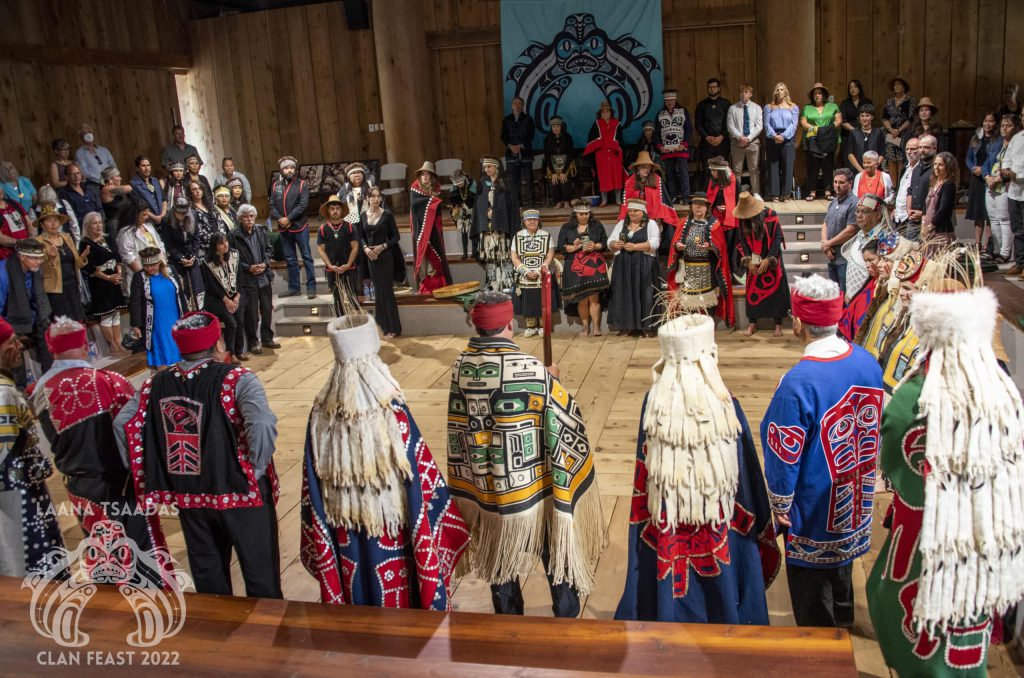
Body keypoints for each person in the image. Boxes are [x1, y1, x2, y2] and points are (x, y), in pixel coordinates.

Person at [867, 284, 1024, 677]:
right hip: (982, 535)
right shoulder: (1003, 393)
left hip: (928, 533)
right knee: (969, 619)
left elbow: (893, 459)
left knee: (905, 609)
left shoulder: (916, 396)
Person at [615, 314, 779, 623]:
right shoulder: (726, 402)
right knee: (721, 569)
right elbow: (745, 476)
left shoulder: (654, 403)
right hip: (719, 520)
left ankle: (667, 611)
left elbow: (643, 469)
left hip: (669, 521)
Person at [447, 291, 603, 616]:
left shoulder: (461, 367)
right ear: (509, 324)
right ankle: (566, 614)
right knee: (552, 547)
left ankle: (508, 620)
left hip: (489, 488)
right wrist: (553, 380)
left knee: (501, 558)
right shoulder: (531, 369)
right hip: (534, 486)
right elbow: (566, 413)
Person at [300, 314, 469, 607]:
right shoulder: (392, 412)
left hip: (344, 533)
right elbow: (421, 479)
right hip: (395, 536)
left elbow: (311, 487)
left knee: (358, 588)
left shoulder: (320, 415)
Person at [114, 311, 282, 598]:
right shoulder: (237, 378)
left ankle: (217, 637)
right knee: (261, 576)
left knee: (209, 578)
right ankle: (269, 636)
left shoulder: (155, 384)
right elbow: (262, 424)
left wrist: (141, 469)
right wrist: (253, 468)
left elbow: (122, 424)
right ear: (218, 343)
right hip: (241, 493)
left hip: (190, 495)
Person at [762, 274, 884, 628]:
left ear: (797, 322)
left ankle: (821, 651)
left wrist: (781, 504)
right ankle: (845, 623)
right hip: (855, 493)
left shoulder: (798, 383)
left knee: (811, 592)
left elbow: (783, 454)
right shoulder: (867, 361)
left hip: (814, 505)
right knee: (843, 570)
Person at [30, 318, 158, 549]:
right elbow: (137, 432)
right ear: (82, 346)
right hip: (120, 483)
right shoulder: (112, 382)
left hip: (81, 486)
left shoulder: (40, 395)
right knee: (139, 552)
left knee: (102, 553)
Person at [0, 316, 63, 577]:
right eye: (12, 342)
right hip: (16, 499)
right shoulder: (4, 394)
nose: (19, 347)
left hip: (21, 492)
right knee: (22, 562)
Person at [666, 192, 732, 323]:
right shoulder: (683, 223)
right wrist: (677, 246)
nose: (698, 208)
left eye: (701, 205)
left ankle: (707, 327)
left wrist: (710, 246)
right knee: (688, 302)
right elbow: (675, 243)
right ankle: (691, 327)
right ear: (691, 207)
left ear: (707, 207)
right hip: (688, 270)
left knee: (707, 302)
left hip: (706, 270)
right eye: (696, 205)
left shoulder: (714, 224)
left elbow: (721, 248)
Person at [735, 192, 789, 335]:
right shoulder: (743, 218)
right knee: (753, 289)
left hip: (771, 255)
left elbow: (777, 238)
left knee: (776, 290)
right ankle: (753, 323)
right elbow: (743, 240)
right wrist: (748, 260)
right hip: (753, 257)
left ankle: (778, 324)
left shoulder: (771, 214)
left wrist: (769, 258)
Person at [0, 239, 53, 382]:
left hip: (33, 314)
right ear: (22, 256)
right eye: (34, 258)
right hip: (9, 318)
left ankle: (50, 379)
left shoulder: (35, 270)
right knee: (13, 345)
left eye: (40, 258)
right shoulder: (3, 274)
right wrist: (8, 331)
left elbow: (39, 299)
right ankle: (19, 386)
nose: (39, 262)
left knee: (47, 333)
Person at [607, 198, 661, 337]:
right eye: (630, 211)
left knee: (646, 295)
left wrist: (635, 247)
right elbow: (610, 240)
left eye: (635, 211)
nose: (632, 213)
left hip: (644, 264)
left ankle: (647, 327)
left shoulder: (651, 224)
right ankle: (627, 326)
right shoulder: (621, 224)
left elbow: (655, 242)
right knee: (624, 293)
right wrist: (615, 244)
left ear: (643, 212)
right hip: (624, 265)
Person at [557, 200, 609, 338]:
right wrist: (574, 247)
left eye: (586, 214)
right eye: (581, 214)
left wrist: (595, 246)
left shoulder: (596, 226)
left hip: (594, 266)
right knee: (582, 299)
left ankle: (596, 328)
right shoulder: (567, 227)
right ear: (575, 213)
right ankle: (585, 328)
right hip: (576, 267)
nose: (584, 216)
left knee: (594, 298)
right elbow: (561, 247)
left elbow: (604, 243)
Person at [79, 212, 128, 356]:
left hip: (114, 280)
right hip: (100, 283)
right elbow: (89, 268)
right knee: (106, 315)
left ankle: (119, 344)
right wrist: (108, 277)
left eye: (100, 222)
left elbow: (117, 257)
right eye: (94, 223)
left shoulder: (107, 238)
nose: (98, 225)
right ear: (87, 226)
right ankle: (112, 346)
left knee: (116, 313)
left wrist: (118, 272)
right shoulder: (85, 244)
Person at [233, 205, 279, 354]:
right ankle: (253, 342)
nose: (249, 219)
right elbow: (233, 258)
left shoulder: (261, 230)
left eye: (252, 216)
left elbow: (269, 249)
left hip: (263, 276)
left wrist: (265, 264)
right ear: (240, 218)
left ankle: (267, 338)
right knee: (252, 313)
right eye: (246, 216)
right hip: (247, 278)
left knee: (267, 309)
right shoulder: (234, 234)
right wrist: (248, 267)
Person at [360, 187, 403, 339]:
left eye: (379, 196)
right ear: (367, 198)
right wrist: (366, 249)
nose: (376, 199)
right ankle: (381, 329)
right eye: (373, 196)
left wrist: (381, 247)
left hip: (385, 256)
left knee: (387, 292)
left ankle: (393, 328)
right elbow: (361, 237)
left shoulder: (387, 214)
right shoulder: (363, 215)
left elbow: (396, 237)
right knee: (378, 293)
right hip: (371, 258)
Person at [270, 156, 315, 299]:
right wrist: (280, 219)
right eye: (286, 168)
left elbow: (303, 205)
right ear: (281, 170)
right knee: (290, 259)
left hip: (299, 226)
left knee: (307, 257)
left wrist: (288, 218)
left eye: (291, 168)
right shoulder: (275, 185)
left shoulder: (302, 184)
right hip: (283, 228)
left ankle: (311, 287)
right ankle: (294, 287)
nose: (289, 170)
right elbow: (271, 205)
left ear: (295, 170)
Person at [129, 247, 182, 368]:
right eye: (146, 265)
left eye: (152, 265)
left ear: (159, 262)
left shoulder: (171, 271)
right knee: (162, 350)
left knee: (178, 348)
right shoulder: (139, 277)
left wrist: (187, 316)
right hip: (155, 321)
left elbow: (180, 295)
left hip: (175, 316)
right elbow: (135, 302)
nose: (149, 268)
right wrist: (136, 325)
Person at [618, 151, 679, 253]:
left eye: (648, 167)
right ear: (638, 168)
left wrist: (658, 218)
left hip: (654, 217)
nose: (646, 170)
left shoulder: (657, 180)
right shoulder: (630, 182)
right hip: (635, 217)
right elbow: (626, 204)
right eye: (643, 167)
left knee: (665, 231)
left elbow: (663, 201)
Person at [472, 156, 517, 292]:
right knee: (490, 257)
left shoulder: (506, 183)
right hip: (488, 229)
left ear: (497, 167)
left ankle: (508, 283)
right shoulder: (483, 183)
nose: (486, 170)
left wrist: (496, 213)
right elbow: (478, 205)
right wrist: (485, 213)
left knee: (504, 255)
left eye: (489, 167)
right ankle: (492, 284)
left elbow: (510, 205)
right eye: (485, 167)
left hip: (502, 228)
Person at [37, 203, 87, 322]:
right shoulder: (38, 242)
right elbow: (37, 267)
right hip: (55, 289)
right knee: (62, 324)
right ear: (42, 225)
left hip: (72, 285)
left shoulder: (67, 237)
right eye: (49, 221)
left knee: (78, 320)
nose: (54, 223)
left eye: (56, 220)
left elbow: (77, 263)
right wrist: (49, 257)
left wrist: (83, 257)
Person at [510, 209, 556, 337]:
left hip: (541, 272)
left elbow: (550, 255)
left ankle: (542, 325)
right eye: (529, 220)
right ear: (524, 222)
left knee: (541, 299)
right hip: (524, 274)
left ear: (538, 221)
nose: (532, 222)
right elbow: (514, 256)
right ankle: (530, 326)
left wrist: (539, 270)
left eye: (534, 219)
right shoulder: (518, 236)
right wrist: (524, 271)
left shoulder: (546, 235)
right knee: (527, 300)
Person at [202, 232, 246, 364]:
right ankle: (231, 353)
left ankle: (239, 350)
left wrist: (237, 296)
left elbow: (239, 278)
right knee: (231, 323)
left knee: (240, 319)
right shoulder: (207, 262)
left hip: (234, 296)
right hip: (216, 299)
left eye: (226, 241)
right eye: (221, 243)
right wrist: (226, 300)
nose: (225, 245)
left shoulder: (234, 255)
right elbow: (211, 285)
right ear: (215, 246)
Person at [408, 162, 452, 293]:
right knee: (422, 255)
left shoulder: (436, 187)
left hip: (434, 226)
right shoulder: (414, 187)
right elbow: (415, 205)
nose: (425, 177)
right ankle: (423, 285)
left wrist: (433, 201)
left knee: (436, 254)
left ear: (431, 176)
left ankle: (439, 284)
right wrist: (432, 201)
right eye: (423, 174)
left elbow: (436, 207)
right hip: (419, 226)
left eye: (427, 174)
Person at [159, 196, 204, 312]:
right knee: (184, 291)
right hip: (177, 259)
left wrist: (194, 255)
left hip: (192, 257)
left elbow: (196, 237)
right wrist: (181, 258)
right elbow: (168, 244)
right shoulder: (166, 220)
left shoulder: (193, 215)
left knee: (197, 290)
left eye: (184, 215)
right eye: (179, 214)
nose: (182, 217)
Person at [984, 115, 1018, 264]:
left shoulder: (1017, 145)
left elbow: (1016, 167)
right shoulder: (997, 143)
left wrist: (998, 179)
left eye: (1008, 125)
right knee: (993, 219)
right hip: (991, 185)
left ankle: (1005, 252)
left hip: (1005, 185)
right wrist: (987, 177)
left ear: (1016, 128)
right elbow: (985, 164)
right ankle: (996, 251)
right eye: (1003, 125)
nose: (1004, 128)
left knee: (1004, 219)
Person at [317, 195, 358, 315]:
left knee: (352, 296)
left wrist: (348, 264)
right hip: (332, 270)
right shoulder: (323, 229)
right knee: (337, 299)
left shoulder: (350, 227)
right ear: (328, 211)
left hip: (349, 269)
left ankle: (355, 325)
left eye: (337, 208)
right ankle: (341, 325)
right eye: (332, 208)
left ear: (341, 210)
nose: (335, 211)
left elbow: (355, 247)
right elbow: (321, 250)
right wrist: (330, 266)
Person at [801, 83, 842, 200]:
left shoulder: (833, 106)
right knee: (812, 165)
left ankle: (828, 191)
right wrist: (817, 130)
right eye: (815, 94)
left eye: (819, 93)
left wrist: (826, 130)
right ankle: (812, 192)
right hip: (812, 139)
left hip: (829, 139)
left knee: (828, 165)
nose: (817, 95)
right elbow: (803, 123)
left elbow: (838, 121)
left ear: (824, 95)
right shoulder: (807, 108)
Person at [821, 169, 859, 292]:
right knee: (834, 294)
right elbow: (825, 224)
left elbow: (850, 230)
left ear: (850, 184)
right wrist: (825, 244)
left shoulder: (854, 203)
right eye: (835, 182)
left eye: (841, 182)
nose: (837, 185)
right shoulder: (833, 202)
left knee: (844, 293)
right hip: (831, 256)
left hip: (844, 258)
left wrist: (829, 243)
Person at [838, 238, 881, 342]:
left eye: (871, 260)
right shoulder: (870, 284)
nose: (867, 265)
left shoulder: (883, 288)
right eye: (865, 261)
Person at [965, 113, 997, 249]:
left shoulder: (998, 140)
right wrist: (973, 168)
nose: (988, 124)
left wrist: (984, 170)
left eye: (991, 121)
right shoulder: (976, 139)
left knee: (989, 212)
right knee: (978, 212)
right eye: (986, 121)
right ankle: (977, 242)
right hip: (977, 179)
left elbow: (994, 160)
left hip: (991, 178)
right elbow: (968, 158)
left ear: (995, 123)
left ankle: (988, 243)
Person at [584, 101, 625, 206]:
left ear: (611, 112)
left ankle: (618, 200)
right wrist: (601, 141)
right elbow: (591, 139)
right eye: (603, 112)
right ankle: (604, 200)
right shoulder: (596, 124)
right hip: (601, 154)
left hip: (614, 154)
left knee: (617, 176)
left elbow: (620, 139)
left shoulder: (617, 124)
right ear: (600, 113)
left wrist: (614, 144)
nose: (605, 113)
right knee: (603, 177)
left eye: (607, 111)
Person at [764, 82, 800, 202]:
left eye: (782, 89)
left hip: (788, 137)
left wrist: (783, 136)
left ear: (786, 92)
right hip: (772, 137)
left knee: (788, 166)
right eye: (777, 90)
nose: (779, 92)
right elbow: (766, 124)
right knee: (773, 166)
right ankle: (774, 193)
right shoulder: (769, 107)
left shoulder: (793, 107)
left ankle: (785, 194)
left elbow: (794, 125)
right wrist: (774, 135)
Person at [656, 89, 693, 204]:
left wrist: (684, 144)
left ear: (675, 100)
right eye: (667, 100)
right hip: (667, 150)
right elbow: (657, 132)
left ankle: (686, 196)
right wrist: (660, 146)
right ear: (665, 101)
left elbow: (689, 129)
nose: (670, 102)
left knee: (683, 173)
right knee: (670, 174)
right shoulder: (660, 114)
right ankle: (673, 196)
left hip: (680, 148)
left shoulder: (683, 111)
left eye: (672, 100)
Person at [727, 85, 763, 196]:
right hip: (737, 142)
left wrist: (748, 138)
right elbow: (730, 126)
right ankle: (737, 193)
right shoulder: (733, 108)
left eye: (746, 92)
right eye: (742, 92)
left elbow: (759, 126)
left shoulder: (756, 108)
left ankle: (756, 192)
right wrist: (740, 137)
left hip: (752, 142)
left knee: (754, 168)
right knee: (737, 170)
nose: (743, 94)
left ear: (750, 94)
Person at [999, 119, 1024, 277]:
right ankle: (1020, 263)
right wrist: (1006, 170)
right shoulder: (1018, 137)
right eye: (1022, 115)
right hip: (1015, 192)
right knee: (1018, 229)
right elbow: (1007, 158)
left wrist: (1018, 175)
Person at [695, 78, 731, 188]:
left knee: (723, 169)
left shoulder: (726, 104)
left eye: (714, 87)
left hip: (723, 142)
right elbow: (698, 124)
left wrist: (722, 136)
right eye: (710, 87)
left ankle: (723, 192)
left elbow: (729, 123)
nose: (712, 89)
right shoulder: (701, 105)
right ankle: (708, 194)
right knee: (708, 170)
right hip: (707, 143)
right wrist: (707, 137)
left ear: (719, 88)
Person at [501, 96, 536, 206]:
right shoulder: (506, 119)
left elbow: (531, 135)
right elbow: (503, 135)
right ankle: (517, 204)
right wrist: (510, 146)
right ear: (512, 106)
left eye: (519, 103)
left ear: (522, 106)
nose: (517, 105)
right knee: (513, 180)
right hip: (511, 153)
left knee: (528, 179)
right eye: (515, 103)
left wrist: (520, 146)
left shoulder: (528, 119)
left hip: (525, 152)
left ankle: (531, 203)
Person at [881, 77, 916, 180]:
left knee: (901, 159)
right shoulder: (889, 101)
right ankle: (893, 186)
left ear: (904, 87)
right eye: (895, 84)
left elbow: (911, 118)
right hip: (891, 133)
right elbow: (884, 118)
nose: (896, 86)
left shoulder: (910, 100)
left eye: (899, 84)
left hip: (904, 133)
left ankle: (900, 185)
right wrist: (891, 130)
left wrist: (898, 130)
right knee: (891, 159)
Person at [922, 151, 959, 241]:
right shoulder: (933, 183)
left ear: (948, 167)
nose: (936, 167)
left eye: (940, 165)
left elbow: (944, 209)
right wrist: (923, 225)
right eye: (935, 164)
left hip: (940, 231)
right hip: (927, 231)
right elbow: (925, 207)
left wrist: (931, 226)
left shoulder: (949, 185)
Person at [907, 134, 938, 239]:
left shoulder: (937, 169)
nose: (922, 150)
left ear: (934, 148)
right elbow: (910, 191)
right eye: (920, 147)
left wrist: (922, 213)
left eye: (926, 147)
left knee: (928, 253)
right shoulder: (916, 169)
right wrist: (909, 210)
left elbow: (938, 196)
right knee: (910, 253)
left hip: (931, 220)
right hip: (913, 220)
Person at [543, 117, 577, 208]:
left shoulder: (568, 137)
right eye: (553, 126)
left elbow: (570, 154)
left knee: (565, 181)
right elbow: (546, 156)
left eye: (557, 126)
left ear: (561, 127)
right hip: (553, 165)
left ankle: (566, 202)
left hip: (566, 165)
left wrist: (564, 171)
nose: (556, 128)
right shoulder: (547, 138)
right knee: (554, 182)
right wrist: (553, 172)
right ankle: (558, 202)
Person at [839, 80, 872, 167]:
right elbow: (843, 120)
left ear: (859, 88)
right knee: (848, 160)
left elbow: (871, 117)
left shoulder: (867, 101)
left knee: (864, 158)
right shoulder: (845, 103)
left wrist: (861, 131)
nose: (853, 89)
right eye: (850, 87)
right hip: (848, 135)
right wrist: (855, 131)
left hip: (865, 134)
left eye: (855, 87)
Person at [58, 163, 102, 228]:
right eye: (73, 174)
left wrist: (100, 223)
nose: (77, 176)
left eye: (78, 173)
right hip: (82, 228)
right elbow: (70, 217)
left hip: (97, 225)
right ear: (66, 177)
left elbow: (100, 209)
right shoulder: (64, 194)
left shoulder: (89, 190)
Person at [845, 104, 885, 174]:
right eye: (862, 116)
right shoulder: (854, 132)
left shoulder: (878, 132)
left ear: (872, 117)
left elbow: (882, 153)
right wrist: (861, 170)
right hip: (857, 171)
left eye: (867, 116)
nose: (864, 118)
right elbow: (850, 154)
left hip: (875, 170)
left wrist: (874, 167)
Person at [447, 169, 476, 260]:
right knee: (463, 231)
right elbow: (453, 199)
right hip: (461, 210)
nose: (459, 185)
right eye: (457, 184)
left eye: (460, 182)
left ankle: (475, 252)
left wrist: (469, 208)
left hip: (473, 209)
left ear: (464, 178)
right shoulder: (454, 187)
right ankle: (465, 253)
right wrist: (457, 207)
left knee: (474, 232)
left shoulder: (472, 183)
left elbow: (475, 197)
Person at [893, 136, 920, 229]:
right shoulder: (905, 167)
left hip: (913, 216)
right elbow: (900, 190)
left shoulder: (923, 170)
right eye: (907, 149)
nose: (909, 151)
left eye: (913, 149)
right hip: (899, 216)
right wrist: (895, 208)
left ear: (920, 150)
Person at [130, 156, 166, 223]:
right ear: (137, 168)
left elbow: (164, 199)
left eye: (148, 165)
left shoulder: (155, 180)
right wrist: (154, 217)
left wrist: (162, 215)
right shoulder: (133, 184)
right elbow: (139, 206)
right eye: (143, 166)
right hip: (147, 221)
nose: (147, 168)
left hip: (162, 218)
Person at [100, 166, 132, 237]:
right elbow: (129, 188)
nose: (120, 178)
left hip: (122, 222)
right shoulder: (106, 189)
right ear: (109, 179)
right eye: (117, 176)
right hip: (114, 226)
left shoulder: (113, 189)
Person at [0, 190, 33, 260]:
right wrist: (20, 242)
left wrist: (31, 237)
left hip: (27, 250)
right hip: (7, 256)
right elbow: (1, 239)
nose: (0, 191)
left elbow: (29, 223)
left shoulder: (13, 203)